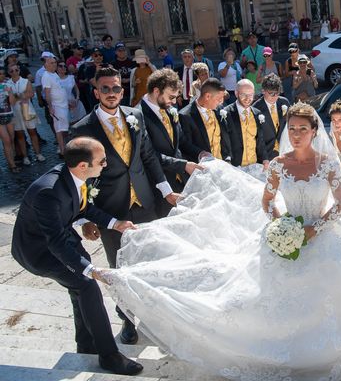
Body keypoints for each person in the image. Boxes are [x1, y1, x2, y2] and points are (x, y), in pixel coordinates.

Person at [104, 102, 341, 380]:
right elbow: (266, 200)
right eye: (291, 129)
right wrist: (279, 222)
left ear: (314, 131)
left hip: (325, 235)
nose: (296, 134)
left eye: (302, 129)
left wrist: (314, 228)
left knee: (332, 294)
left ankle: (325, 351)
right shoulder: (278, 164)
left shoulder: (328, 164)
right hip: (284, 235)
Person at [11, 137, 142, 375]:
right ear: (83, 165)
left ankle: (86, 344)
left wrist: (115, 224)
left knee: (80, 287)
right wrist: (92, 271)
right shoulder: (48, 193)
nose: (105, 164)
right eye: (102, 161)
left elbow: (83, 207)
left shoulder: (73, 176)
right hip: (39, 252)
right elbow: (55, 242)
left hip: (61, 239)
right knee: (87, 284)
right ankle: (109, 355)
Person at [70, 66, 178, 345]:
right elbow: (78, 178)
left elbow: (149, 157)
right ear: (96, 92)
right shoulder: (82, 128)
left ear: (122, 89)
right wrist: (84, 219)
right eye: (105, 88)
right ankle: (127, 320)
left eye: (116, 88)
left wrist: (165, 191)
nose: (111, 93)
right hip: (110, 210)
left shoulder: (135, 116)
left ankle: (156, 316)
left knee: (152, 260)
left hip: (144, 202)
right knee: (119, 268)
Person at [140, 69, 202, 216]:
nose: (174, 102)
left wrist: (200, 153)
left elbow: (182, 141)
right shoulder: (138, 115)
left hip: (180, 179)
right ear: (156, 91)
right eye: (171, 97)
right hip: (159, 184)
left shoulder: (169, 109)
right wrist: (183, 165)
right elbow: (149, 154)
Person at [179, 77, 230, 163]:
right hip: (201, 168)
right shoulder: (185, 116)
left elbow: (224, 137)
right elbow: (185, 146)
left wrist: (227, 157)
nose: (221, 102)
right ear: (207, 96)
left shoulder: (219, 109)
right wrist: (201, 154)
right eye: (219, 99)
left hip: (222, 166)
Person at [221, 79, 268, 168]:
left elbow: (260, 141)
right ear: (236, 93)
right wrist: (227, 161)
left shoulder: (257, 113)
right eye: (243, 94)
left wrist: (265, 159)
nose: (247, 98)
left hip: (254, 165)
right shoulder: (226, 113)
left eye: (250, 95)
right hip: (235, 166)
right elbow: (224, 142)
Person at [6, 64, 44, 165]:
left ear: (19, 70)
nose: (14, 72)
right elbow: (11, 101)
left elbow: (30, 93)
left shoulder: (25, 81)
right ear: (9, 72)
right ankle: (25, 156)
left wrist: (16, 95)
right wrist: (22, 95)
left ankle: (38, 154)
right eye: (12, 71)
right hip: (15, 112)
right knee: (20, 135)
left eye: (16, 70)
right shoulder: (7, 84)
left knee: (32, 132)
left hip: (28, 110)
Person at [252, 73, 289, 160]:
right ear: (263, 91)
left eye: (277, 93)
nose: (274, 96)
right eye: (271, 93)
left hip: (285, 150)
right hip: (266, 153)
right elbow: (256, 137)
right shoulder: (256, 108)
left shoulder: (284, 102)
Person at [42, 53, 70, 156]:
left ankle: (65, 148)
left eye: (55, 63)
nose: (54, 65)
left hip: (63, 105)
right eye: (51, 63)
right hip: (57, 106)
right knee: (59, 129)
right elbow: (47, 93)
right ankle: (63, 150)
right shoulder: (46, 76)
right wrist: (50, 107)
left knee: (64, 129)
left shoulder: (54, 74)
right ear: (46, 65)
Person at [0, 69, 19, 172]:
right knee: (6, 140)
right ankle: (12, 166)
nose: (1, 76)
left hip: (9, 115)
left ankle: (11, 160)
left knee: (11, 140)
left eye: (3, 73)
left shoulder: (7, 85)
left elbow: (12, 102)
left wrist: (10, 92)